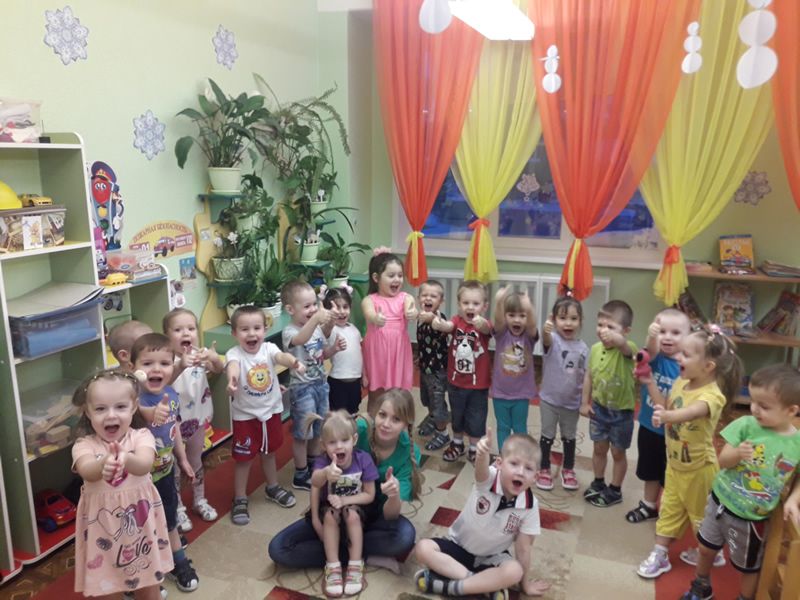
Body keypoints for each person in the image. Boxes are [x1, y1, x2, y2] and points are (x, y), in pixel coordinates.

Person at [269, 388, 421, 575]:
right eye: (382, 415)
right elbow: (319, 476)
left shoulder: (410, 453)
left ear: (407, 423)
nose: (386, 424)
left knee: (404, 536)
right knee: (279, 548)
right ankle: (359, 554)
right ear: (375, 413)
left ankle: (348, 553)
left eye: (396, 419)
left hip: (372, 516)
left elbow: (390, 516)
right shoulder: (355, 431)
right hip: (331, 513)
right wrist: (316, 519)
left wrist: (394, 495)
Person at [680, 363, 800, 600]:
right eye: (753, 401)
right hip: (721, 503)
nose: (754, 409)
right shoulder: (745, 425)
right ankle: (701, 586)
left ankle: (745, 597)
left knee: (748, 566)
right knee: (705, 548)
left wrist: (793, 500)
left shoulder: (796, 444)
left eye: (764, 406)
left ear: (791, 410)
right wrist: (737, 454)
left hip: (753, 517)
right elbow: (723, 461)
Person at [636, 327, 744, 579]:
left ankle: (713, 553)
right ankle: (660, 553)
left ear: (708, 366)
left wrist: (668, 417)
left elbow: (692, 412)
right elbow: (665, 405)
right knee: (669, 508)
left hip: (699, 469)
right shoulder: (682, 381)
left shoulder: (713, 396)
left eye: (685, 355)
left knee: (700, 516)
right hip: (674, 465)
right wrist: (649, 382)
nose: (678, 358)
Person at [71, 370, 173, 600]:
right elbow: (87, 469)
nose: (110, 415)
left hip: (142, 531)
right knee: (107, 589)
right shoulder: (84, 445)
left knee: (149, 588)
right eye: (100, 409)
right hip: (103, 536)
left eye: (120, 407)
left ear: (134, 407)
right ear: (87, 411)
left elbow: (144, 465)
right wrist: (103, 464)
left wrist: (126, 458)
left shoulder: (141, 437)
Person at [414, 429, 551, 599]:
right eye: (514, 464)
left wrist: (525, 585)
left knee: (515, 571)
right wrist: (482, 454)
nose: (520, 472)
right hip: (459, 547)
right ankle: (481, 586)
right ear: (499, 464)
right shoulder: (489, 479)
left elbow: (523, 549)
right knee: (423, 548)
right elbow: (481, 470)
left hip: (491, 558)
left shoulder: (530, 506)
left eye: (528, 468)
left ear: (535, 477)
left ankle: (453, 587)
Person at [130, 333, 200, 592]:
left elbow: (174, 428)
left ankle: (178, 561)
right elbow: (134, 414)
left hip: (165, 473)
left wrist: (182, 459)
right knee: (141, 527)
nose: (156, 369)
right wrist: (148, 413)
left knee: (169, 518)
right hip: (138, 482)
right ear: (133, 369)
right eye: (148, 364)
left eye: (164, 363)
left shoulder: (170, 393)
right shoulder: (130, 401)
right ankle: (144, 575)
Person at [226, 305, 307, 524]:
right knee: (244, 460)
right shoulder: (235, 354)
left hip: (270, 413)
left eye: (256, 328)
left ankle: (272, 487)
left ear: (265, 329)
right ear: (234, 334)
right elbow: (233, 367)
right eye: (244, 329)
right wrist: (232, 380)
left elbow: (282, 357)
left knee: (269, 453)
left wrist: (294, 362)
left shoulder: (269, 348)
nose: (251, 334)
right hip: (245, 418)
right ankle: (240, 498)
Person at [626, 309, 691, 525]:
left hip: (676, 433)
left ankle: (671, 511)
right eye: (662, 332)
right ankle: (649, 505)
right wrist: (652, 336)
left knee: (672, 474)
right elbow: (650, 351)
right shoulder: (654, 358)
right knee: (650, 470)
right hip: (649, 427)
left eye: (675, 333)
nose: (667, 337)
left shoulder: (688, 366)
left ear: (688, 337)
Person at [163, 308, 223, 533]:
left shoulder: (201, 353)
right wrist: (180, 365)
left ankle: (199, 500)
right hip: (174, 424)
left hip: (197, 419)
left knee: (196, 461)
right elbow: (163, 383)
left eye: (191, 328)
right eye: (178, 329)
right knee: (176, 468)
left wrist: (214, 358)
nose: (186, 333)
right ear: (167, 336)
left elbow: (218, 370)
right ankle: (178, 507)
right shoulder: (166, 359)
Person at [307, 410, 379, 597]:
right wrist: (325, 473)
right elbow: (315, 482)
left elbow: (370, 494)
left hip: (356, 510)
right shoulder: (323, 461)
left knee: (351, 514)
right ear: (323, 445)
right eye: (332, 442)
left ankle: (355, 566)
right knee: (330, 516)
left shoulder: (363, 459)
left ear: (354, 440)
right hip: (330, 513)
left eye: (344, 440)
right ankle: (333, 567)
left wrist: (345, 500)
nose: (339, 446)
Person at [281, 279, 338, 491]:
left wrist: (330, 321)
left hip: (321, 384)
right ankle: (300, 474)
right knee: (302, 434)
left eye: (314, 304)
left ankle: (313, 465)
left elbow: (324, 338)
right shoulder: (289, 331)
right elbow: (300, 339)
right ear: (290, 309)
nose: (313, 309)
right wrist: (316, 319)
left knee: (318, 429)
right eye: (307, 306)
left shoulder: (315, 327)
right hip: (302, 389)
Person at [580, 300, 637, 507]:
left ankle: (615, 489)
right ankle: (598, 481)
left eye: (611, 327)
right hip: (599, 409)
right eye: (600, 325)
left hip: (622, 413)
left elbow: (624, 346)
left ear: (626, 331)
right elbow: (589, 376)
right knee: (599, 448)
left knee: (618, 452)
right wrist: (584, 403)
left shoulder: (628, 349)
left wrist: (617, 339)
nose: (603, 331)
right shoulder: (595, 349)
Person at [433, 280, 492, 464]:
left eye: (476, 303)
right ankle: (457, 444)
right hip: (455, 382)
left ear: (484, 306)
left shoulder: (484, 325)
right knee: (457, 415)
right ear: (459, 305)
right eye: (466, 303)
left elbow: (487, 329)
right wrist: (439, 324)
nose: (470, 307)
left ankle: (474, 448)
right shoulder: (457, 321)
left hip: (478, 385)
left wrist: (481, 323)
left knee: (476, 417)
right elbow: (448, 327)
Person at [537, 295, 589, 491]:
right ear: (554, 319)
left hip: (572, 403)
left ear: (581, 321)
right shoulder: (554, 341)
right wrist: (546, 330)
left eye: (573, 319)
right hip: (549, 401)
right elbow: (546, 339)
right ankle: (544, 468)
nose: (568, 323)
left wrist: (584, 402)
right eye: (562, 318)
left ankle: (568, 469)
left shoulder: (583, 348)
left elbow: (587, 377)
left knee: (569, 437)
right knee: (547, 436)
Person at [361, 249, 417, 415]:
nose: (397, 280)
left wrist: (413, 313)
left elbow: (412, 310)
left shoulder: (406, 298)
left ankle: (398, 424)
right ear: (376, 278)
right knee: (375, 395)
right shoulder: (369, 300)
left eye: (400, 275)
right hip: (377, 355)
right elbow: (369, 313)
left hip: (398, 353)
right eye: (391, 275)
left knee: (398, 396)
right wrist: (375, 318)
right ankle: (372, 425)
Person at [490, 286, 538, 454]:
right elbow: (497, 320)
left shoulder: (529, 337)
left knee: (519, 427)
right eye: (511, 315)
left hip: (521, 395)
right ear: (505, 317)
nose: (517, 320)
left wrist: (529, 309)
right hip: (500, 394)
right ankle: (504, 457)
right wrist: (499, 302)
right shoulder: (502, 334)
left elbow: (533, 324)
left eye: (522, 316)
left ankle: (520, 455)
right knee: (503, 427)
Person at [416, 279, 451, 452]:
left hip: (438, 371)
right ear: (418, 299)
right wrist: (420, 358)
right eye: (424, 295)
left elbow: (440, 327)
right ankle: (432, 420)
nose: (428, 298)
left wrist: (432, 319)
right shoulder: (421, 318)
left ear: (441, 302)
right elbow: (424, 342)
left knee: (438, 403)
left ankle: (443, 433)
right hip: (425, 368)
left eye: (433, 296)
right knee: (427, 399)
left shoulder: (439, 318)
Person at [322, 284, 364, 414]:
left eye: (345, 307)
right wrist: (334, 348)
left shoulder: (354, 329)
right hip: (337, 383)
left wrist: (365, 375)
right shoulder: (331, 329)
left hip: (355, 382)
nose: (341, 311)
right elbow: (325, 353)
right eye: (336, 308)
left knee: (353, 413)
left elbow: (360, 354)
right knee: (339, 417)